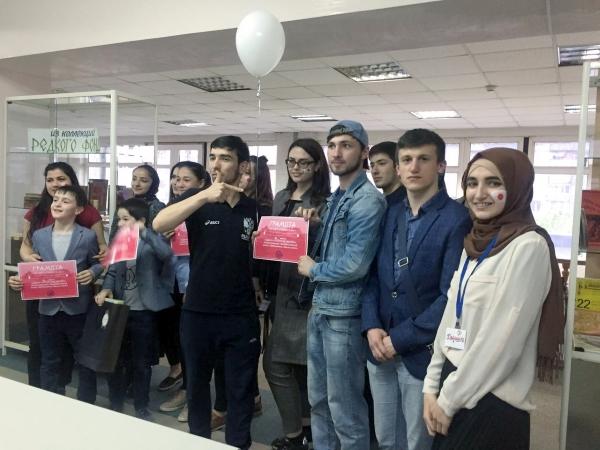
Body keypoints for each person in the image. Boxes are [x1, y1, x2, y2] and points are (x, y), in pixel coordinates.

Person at [422, 148, 564, 450]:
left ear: (516, 187)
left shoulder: (528, 246)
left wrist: (448, 400)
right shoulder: (474, 243)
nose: (479, 193)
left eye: (494, 183)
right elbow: (450, 318)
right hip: (454, 382)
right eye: (472, 183)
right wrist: (431, 387)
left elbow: (502, 341)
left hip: (492, 399)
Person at [361, 129, 471, 450]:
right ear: (398, 168)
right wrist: (371, 326)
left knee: (417, 442)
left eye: (423, 159)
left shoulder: (457, 219)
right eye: (406, 160)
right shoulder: (390, 213)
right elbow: (372, 277)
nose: (414, 167)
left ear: (441, 166)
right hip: (379, 346)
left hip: (421, 351)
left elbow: (450, 296)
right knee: (385, 439)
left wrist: (399, 339)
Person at [153, 135, 261, 450]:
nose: (216, 164)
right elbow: (159, 223)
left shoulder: (253, 208)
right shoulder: (196, 199)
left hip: (240, 314)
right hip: (198, 312)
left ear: (242, 165)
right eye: (212, 157)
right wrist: (203, 196)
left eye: (225, 158)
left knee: (240, 389)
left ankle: (238, 443)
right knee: (197, 387)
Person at [297, 120, 386, 450]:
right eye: (332, 146)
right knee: (319, 402)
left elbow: (355, 264)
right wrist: (317, 224)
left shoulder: (367, 200)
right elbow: (340, 244)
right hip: (321, 309)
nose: (336, 153)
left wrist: (314, 269)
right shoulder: (338, 198)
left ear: (364, 152)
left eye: (346, 145)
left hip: (344, 317)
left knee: (345, 409)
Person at [263, 138, 330, 450]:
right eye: (292, 161)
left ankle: (296, 435)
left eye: (304, 162)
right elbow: (275, 241)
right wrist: (261, 238)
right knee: (290, 364)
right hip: (281, 288)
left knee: (281, 364)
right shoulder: (281, 197)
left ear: (317, 165)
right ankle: (304, 430)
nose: (297, 167)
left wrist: (315, 227)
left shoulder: (325, 202)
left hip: (307, 292)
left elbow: (329, 248)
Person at [9, 185, 103, 403]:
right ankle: (51, 403)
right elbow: (36, 269)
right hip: (48, 310)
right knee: (49, 360)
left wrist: (93, 272)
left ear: (78, 210)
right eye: (56, 200)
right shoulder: (39, 236)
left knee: (85, 361)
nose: (58, 204)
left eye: (65, 201)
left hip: (78, 309)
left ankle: (86, 405)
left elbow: (100, 262)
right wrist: (19, 281)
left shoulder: (88, 236)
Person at [96, 198, 175, 421]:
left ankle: (141, 405)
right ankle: (116, 401)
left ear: (140, 220)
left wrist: (144, 232)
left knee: (142, 363)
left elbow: (167, 255)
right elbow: (112, 271)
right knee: (116, 359)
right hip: (120, 310)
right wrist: (106, 289)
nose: (120, 224)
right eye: (119, 219)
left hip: (144, 311)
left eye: (125, 219)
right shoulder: (120, 241)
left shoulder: (153, 239)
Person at [159, 161, 211, 423]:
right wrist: (163, 238)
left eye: (185, 179)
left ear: (201, 184)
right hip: (170, 283)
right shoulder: (170, 210)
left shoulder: (207, 211)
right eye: (175, 178)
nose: (178, 183)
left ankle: (193, 397)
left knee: (194, 345)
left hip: (194, 284)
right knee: (176, 338)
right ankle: (185, 388)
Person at [109, 164, 165, 240]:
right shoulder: (125, 204)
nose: (136, 184)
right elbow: (113, 236)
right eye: (134, 179)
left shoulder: (157, 206)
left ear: (153, 184)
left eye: (143, 181)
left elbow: (155, 238)